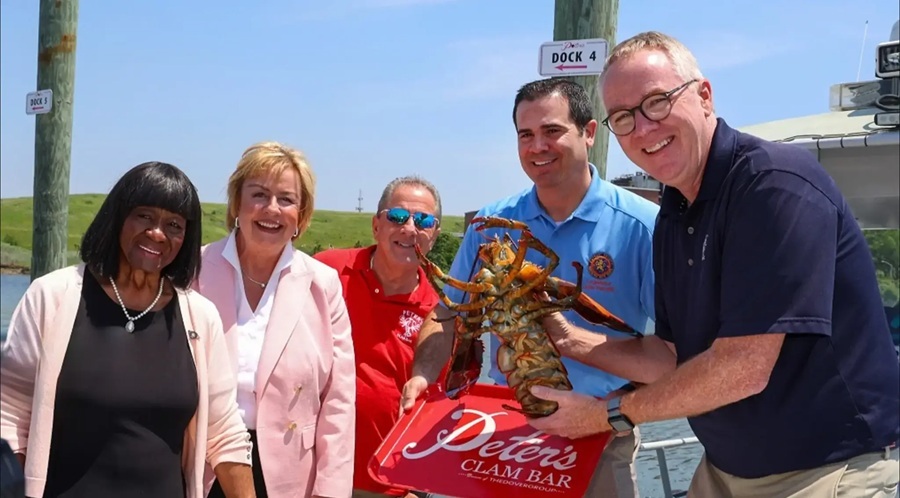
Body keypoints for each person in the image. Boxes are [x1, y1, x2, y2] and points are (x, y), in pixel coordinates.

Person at [526, 31, 900, 497]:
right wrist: (569, 338)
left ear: (704, 95)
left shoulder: (774, 187)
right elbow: (668, 357)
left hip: (827, 472)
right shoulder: (675, 212)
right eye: (623, 117)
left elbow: (742, 368)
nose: (643, 128)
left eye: (657, 102)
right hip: (724, 471)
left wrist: (607, 415)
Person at [400, 78, 660, 498]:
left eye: (552, 131)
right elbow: (448, 312)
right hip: (508, 432)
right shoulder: (490, 223)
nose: (538, 146)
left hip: (599, 436)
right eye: (526, 135)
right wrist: (423, 376)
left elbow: (672, 355)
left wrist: (583, 358)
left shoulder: (644, 226)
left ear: (589, 133)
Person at [0, 162, 255, 498]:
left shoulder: (201, 318)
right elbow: (10, 412)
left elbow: (225, 434)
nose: (157, 233)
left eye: (174, 225)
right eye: (144, 216)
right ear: (117, 217)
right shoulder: (53, 297)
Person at [196, 141, 355, 498]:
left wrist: (330, 492)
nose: (272, 209)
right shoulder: (192, 271)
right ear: (237, 202)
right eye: (259, 194)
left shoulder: (323, 284)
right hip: (200, 471)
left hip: (289, 479)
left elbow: (339, 402)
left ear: (302, 213)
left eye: (286, 199)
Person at [315, 176, 443, 498]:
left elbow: (439, 411)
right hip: (310, 472)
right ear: (376, 225)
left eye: (424, 220)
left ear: (435, 235)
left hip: (387, 486)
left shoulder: (442, 315)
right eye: (398, 217)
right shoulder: (325, 271)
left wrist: (418, 487)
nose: (410, 228)